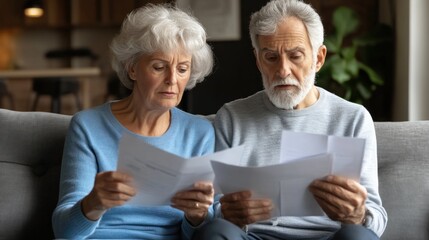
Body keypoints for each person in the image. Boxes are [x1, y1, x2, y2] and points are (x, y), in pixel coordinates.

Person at [193, 0, 388, 239]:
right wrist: (228, 213)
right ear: (258, 60)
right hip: (256, 236)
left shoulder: (353, 118)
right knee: (216, 231)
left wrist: (358, 215)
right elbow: (213, 208)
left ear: (318, 58)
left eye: (295, 56)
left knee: (359, 236)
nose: (283, 70)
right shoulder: (232, 117)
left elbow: (376, 218)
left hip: (328, 237)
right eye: (271, 57)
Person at [52, 3, 216, 239]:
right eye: (159, 67)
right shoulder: (88, 126)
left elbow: (199, 231)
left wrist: (197, 215)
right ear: (132, 69)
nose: (172, 79)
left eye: (182, 69)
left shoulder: (199, 133)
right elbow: (64, 232)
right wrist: (94, 203)